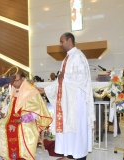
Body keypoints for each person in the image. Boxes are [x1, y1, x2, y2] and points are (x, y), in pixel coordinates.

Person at [38, 32, 95, 160]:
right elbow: (60, 81)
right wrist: (46, 89)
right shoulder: (66, 58)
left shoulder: (79, 56)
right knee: (68, 127)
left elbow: (83, 77)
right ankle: (70, 155)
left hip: (76, 101)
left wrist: (66, 76)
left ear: (69, 40)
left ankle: (79, 156)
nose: (60, 44)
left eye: (62, 41)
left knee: (77, 127)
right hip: (68, 101)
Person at [0, 71, 52, 159]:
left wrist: (23, 119)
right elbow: (8, 106)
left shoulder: (31, 91)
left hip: (27, 120)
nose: (14, 83)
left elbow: (36, 111)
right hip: (10, 118)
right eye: (12, 81)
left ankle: (22, 155)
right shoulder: (13, 90)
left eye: (16, 80)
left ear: (23, 79)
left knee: (21, 129)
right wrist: (3, 111)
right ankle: (8, 153)